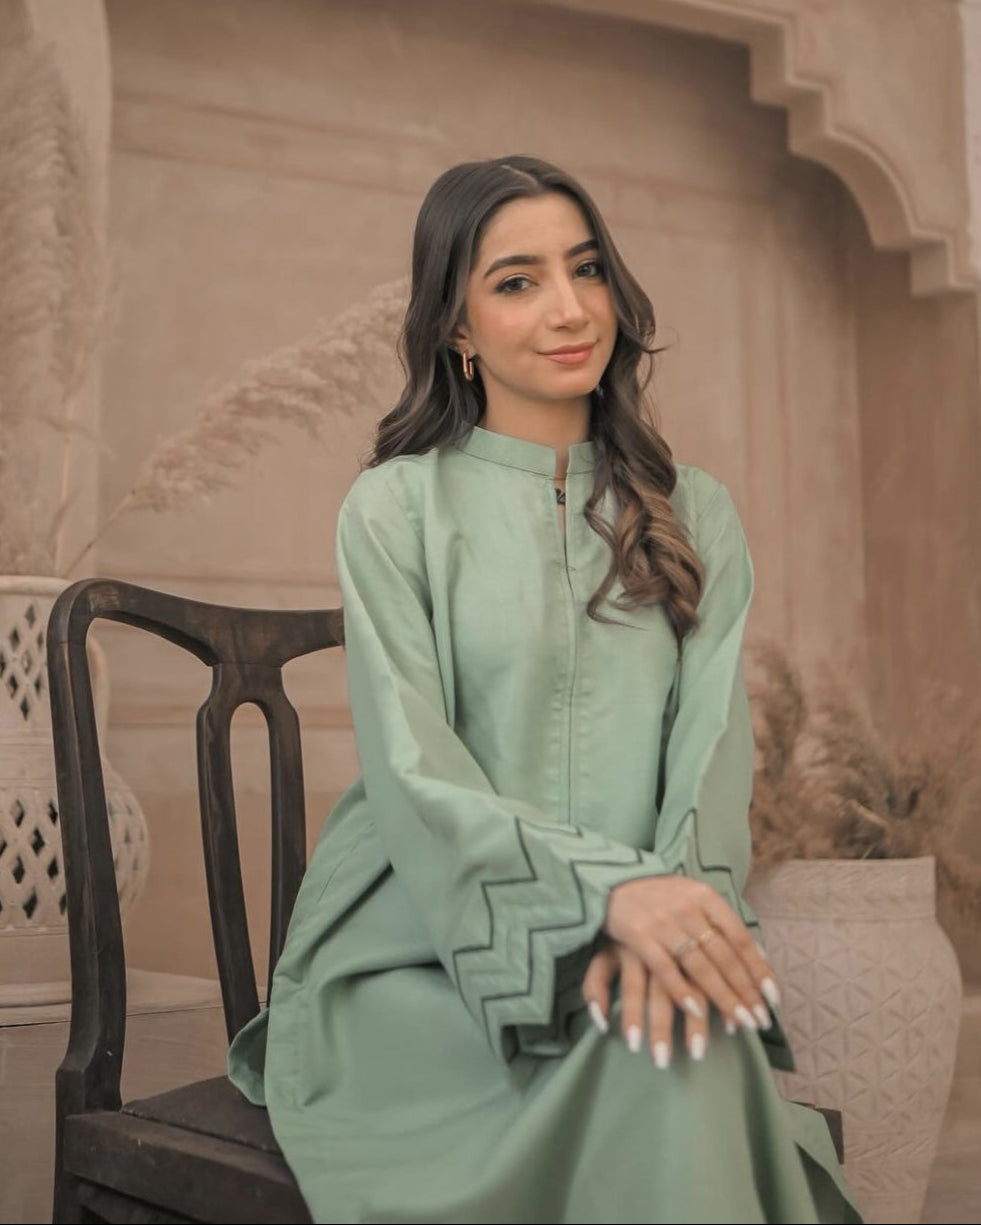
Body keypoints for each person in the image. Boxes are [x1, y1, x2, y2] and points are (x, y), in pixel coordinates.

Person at [227, 154, 862, 1224]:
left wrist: (671, 914)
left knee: (677, 1039)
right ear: (459, 329)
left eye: (586, 269)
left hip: (651, 933)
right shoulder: (395, 510)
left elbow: (710, 765)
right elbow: (414, 765)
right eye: (517, 281)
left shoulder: (693, 514)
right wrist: (595, 901)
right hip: (420, 953)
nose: (569, 309)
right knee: (670, 1057)